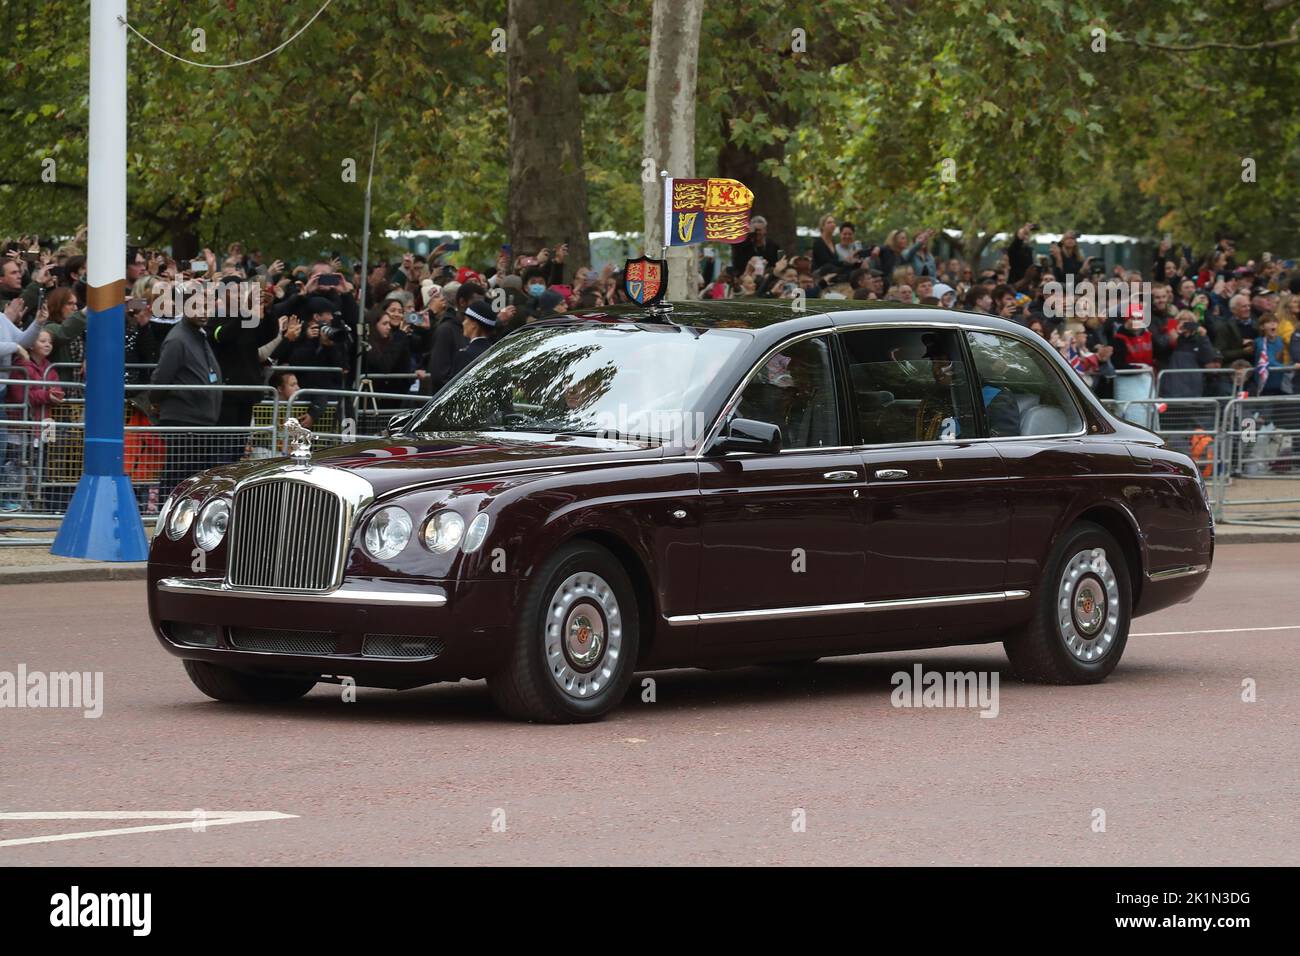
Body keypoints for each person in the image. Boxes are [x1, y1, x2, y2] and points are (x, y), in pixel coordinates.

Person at [151, 292, 222, 499]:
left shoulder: (198, 335)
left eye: (206, 306)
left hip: (201, 419)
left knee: (195, 478)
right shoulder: (177, 339)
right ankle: (167, 512)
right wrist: (155, 400)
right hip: (184, 420)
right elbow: (161, 377)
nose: (203, 311)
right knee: (177, 475)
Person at [452, 299, 498, 373]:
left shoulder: (465, 355)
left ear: (474, 324)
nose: (463, 323)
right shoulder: (495, 352)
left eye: (466, 319)